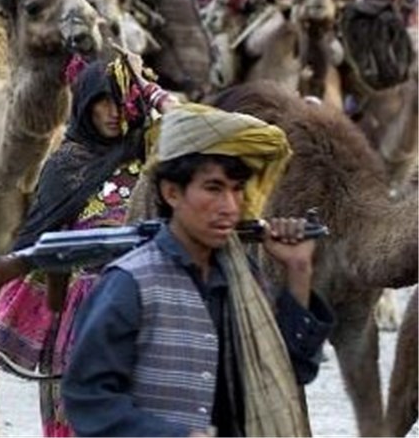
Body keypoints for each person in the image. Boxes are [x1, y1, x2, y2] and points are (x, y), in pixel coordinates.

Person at [61, 103, 335, 437]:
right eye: (214, 189)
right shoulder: (130, 284)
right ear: (172, 192)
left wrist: (298, 270)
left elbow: (290, 371)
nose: (231, 207)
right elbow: (88, 399)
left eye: (236, 190)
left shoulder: (243, 279)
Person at [0, 55, 179, 436]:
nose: (113, 113)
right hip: (84, 317)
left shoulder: (153, 153)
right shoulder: (65, 165)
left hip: (150, 307)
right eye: (102, 101)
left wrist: (151, 90)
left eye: (121, 101)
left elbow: (193, 124)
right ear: (84, 104)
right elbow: (35, 253)